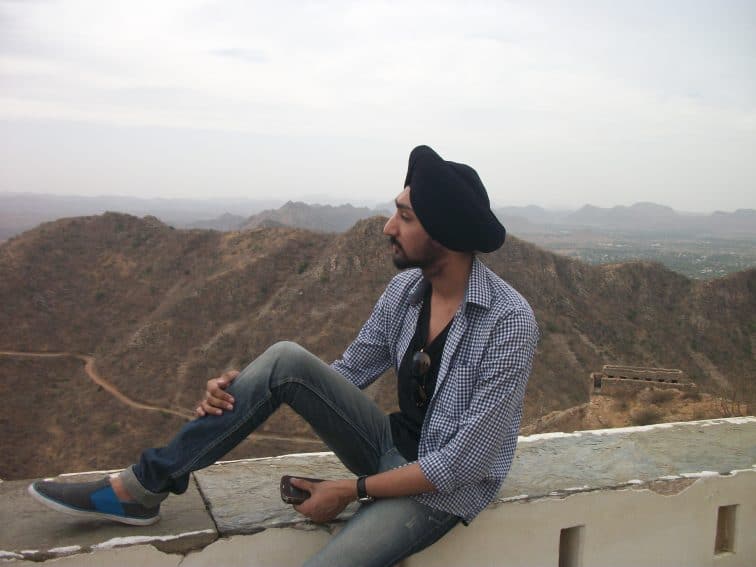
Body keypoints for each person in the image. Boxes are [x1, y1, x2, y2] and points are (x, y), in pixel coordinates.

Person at [29, 145, 539, 566]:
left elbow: (461, 464)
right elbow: (339, 376)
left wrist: (351, 490)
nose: (387, 227)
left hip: (438, 490)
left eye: (404, 217)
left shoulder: (508, 322)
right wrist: (246, 389)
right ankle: (141, 488)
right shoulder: (405, 292)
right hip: (389, 446)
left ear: (444, 233)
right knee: (284, 359)